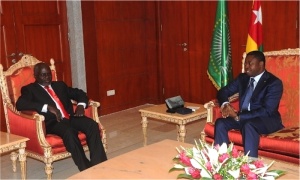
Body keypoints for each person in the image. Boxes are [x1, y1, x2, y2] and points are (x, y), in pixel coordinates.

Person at [16, 62, 107, 171]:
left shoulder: (59, 85)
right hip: (53, 122)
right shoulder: (30, 89)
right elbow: (20, 104)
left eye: (49, 74)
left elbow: (79, 93)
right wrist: (46, 107)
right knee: (69, 132)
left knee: (92, 125)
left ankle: (99, 165)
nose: (47, 77)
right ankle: (86, 168)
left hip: (70, 117)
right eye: (43, 75)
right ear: (35, 76)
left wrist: (81, 105)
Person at [214, 50, 284, 158]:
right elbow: (223, 91)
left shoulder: (273, 83)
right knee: (220, 123)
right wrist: (225, 104)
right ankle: (221, 159)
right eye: (245, 63)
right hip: (243, 117)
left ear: (260, 64)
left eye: (250, 63)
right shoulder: (243, 78)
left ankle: (251, 166)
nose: (246, 66)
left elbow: (267, 110)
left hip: (266, 119)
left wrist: (238, 116)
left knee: (249, 125)